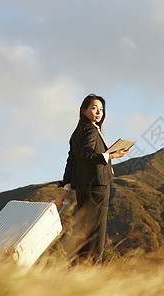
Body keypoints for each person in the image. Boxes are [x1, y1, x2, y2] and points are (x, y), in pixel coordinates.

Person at [55, 93, 129, 263]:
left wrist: (65, 189)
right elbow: (87, 155)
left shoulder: (77, 132)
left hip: (82, 186)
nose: (98, 112)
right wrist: (112, 155)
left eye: (101, 109)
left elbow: (72, 161)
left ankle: (77, 267)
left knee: (85, 230)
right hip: (97, 185)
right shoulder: (90, 130)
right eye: (94, 108)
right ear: (84, 110)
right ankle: (92, 269)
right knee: (97, 232)